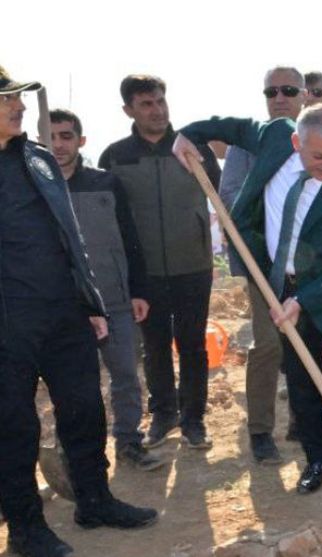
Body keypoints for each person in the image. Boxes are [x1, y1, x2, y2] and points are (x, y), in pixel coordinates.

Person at [174, 104, 322, 495]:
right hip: (281, 285)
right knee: (304, 382)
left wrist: (304, 300)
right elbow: (232, 124)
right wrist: (190, 132)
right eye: (318, 156)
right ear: (296, 141)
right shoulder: (275, 137)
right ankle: (317, 460)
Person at [0, 65, 157, 557]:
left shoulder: (37, 158)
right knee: (15, 426)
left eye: (17, 97)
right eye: (6, 99)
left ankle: (94, 501)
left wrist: (88, 300)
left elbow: (69, 235)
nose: (18, 105)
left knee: (86, 410)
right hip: (8, 321)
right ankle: (26, 529)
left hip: (64, 312)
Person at [99, 74, 221, 450]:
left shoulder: (191, 148)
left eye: (160, 101)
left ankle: (194, 419)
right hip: (144, 271)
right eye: (146, 104)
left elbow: (217, 197)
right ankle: (164, 414)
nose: (157, 110)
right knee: (154, 345)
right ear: (128, 110)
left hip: (193, 265)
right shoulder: (116, 156)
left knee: (193, 345)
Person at [48, 109, 163, 472]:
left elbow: (130, 240)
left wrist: (138, 290)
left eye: (66, 136)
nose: (59, 144)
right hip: (65, 307)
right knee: (74, 388)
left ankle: (129, 442)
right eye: (50, 137)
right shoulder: (34, 188)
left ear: (81, 141)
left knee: (126, 376)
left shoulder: (106, 184)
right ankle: (76, 455)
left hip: (114, 299)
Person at [218, 66, 310, 465]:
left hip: (309, 263)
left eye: (288, 90)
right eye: (271, 91)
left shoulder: (317, 137)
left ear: (304, 94)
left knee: (307, 344)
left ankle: (304, 421)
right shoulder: (246, 145)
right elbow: (232, 196)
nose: (279, 97)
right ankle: (260, 432)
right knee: (269, 346)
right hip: (262, 266)